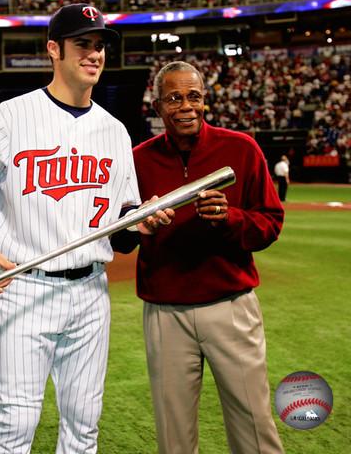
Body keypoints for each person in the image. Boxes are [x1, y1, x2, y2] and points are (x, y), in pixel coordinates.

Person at [0, 3, 173, 454]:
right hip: (24, 288)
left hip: (90, 293)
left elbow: (120, 229)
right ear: (54, 49)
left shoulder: (115, 131)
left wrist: (143, 222)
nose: (94, 54)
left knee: (83, 426)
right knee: (15, 425)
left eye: (99, 46)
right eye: (83, 44)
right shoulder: (10, 117)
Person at [112, 61, 285, 454]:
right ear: (157, 107)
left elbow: (270, 224)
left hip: (231, 307)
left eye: (194, 96)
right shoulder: (137, 160)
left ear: (205, 100)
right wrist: (139, 224)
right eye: (174, 98)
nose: (186, 106)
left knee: (254, 429)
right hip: (165, 312)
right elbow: (118, 239)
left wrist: (231, 218)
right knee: (174, 437)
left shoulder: (241, 148)